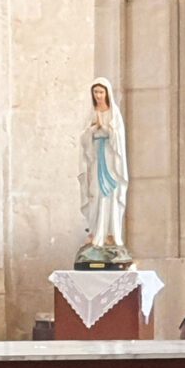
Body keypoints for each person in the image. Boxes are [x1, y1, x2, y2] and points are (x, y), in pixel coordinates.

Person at [78, 77, 129, 249]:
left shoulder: (114, 114)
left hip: (110, 160)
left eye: (101, 92)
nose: (98, 95)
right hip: (96, 160)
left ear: (106, 93)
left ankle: (110, 233)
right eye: (95, 92)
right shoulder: (91, 113)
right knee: (95, 194)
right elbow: (84, 137)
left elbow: (118, 139)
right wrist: (93, 129)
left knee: (111, 196)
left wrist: (106, 129)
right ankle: (94, 232)